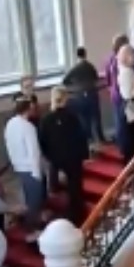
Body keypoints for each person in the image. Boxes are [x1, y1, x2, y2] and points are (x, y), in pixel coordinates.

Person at [39, 87, 90, 224]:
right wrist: (85, 155)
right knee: (75, 185)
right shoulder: (72, 116)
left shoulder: (46, 119)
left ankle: (66, 208)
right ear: (66, 98)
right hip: (73, 157)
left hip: (57, 158)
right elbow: (81, 137)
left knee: (64, 185)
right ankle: (77, 212)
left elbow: (42, 141)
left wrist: (49, 156)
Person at [5, 96, 46, 239]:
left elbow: (9, 146)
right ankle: (31, 230)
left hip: (19, 166)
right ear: (28, 109)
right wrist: (37, 173)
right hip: (30, 168)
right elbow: (34, 152)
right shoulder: (28, 127)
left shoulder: (10, 124)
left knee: (27, 198)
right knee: (34, 200)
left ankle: (28, 225)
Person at [63, 47, 106, 145]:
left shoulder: (74, 68)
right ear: (85, 54)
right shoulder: (90, 66)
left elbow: (65, 80)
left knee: (85, 119)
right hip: (92, 93)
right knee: (96, 117)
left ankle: (89, 141)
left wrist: (75, 86)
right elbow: (96, 78)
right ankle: (100, 138)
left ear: (76, 55)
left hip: (80, 96)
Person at [105, 33, 129, 156]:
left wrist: (110, 88)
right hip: (123, 93)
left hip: (114, 92)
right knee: (125, 123)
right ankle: (125, 148)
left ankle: (121, 145)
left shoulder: (109, 58)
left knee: (118, 121)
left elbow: (107, 78)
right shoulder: (122, 58)